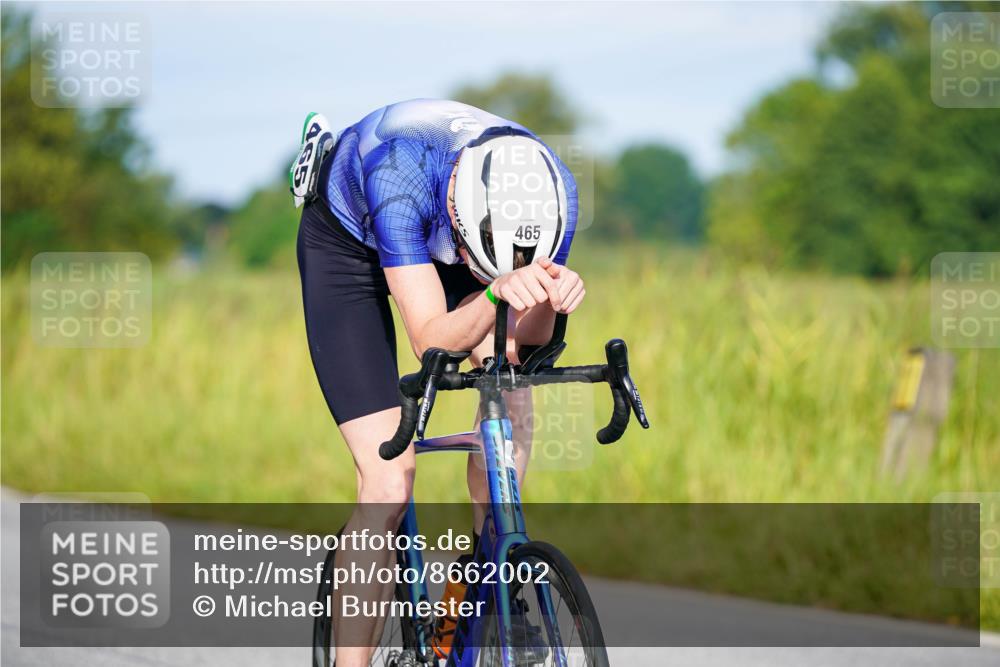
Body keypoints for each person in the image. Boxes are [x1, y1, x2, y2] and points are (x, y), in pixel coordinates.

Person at [293, 98, 584, 666]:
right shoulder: (396, 176)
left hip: (468, 245)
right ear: (455, 203)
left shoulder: (555, 194)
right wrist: (498, 293)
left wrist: (556, 297)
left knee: (509, 385)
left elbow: (525, 345)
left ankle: (490, 586)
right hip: (350, 237)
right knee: (388, 485)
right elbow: (431, 340)